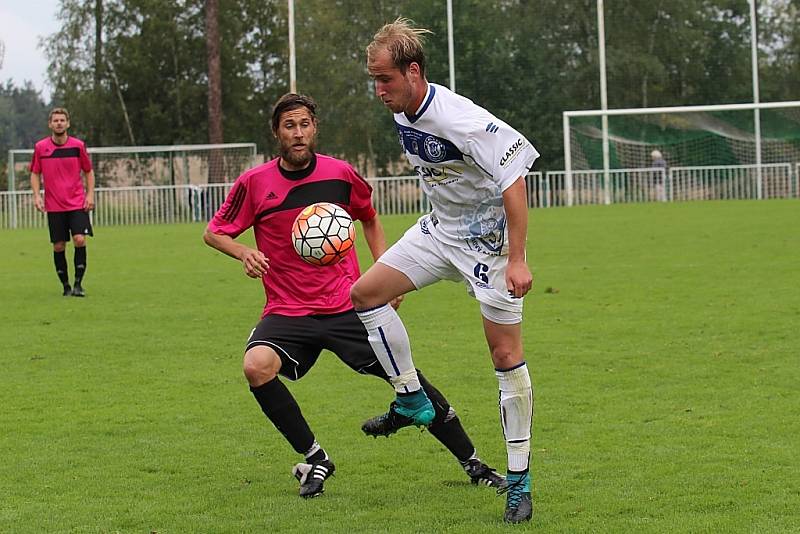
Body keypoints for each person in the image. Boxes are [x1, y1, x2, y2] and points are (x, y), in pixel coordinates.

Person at [203, 93, 505, 499]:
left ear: (315, 128)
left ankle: (473, 463)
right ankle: (315, 458)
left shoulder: (340, 174)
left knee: (408, 380)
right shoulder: (254, 183)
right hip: (288, 310)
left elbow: (370, 218)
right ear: (276, 132)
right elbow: (214, 232)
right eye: (289, 126)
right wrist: (244, 251)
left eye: (305, 124)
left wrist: (386, 275)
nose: (298, 133)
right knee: (257, 367)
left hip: (348, 306)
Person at [350, 19, 538, 523]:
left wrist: (517, 257)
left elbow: (514, 180)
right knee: (366, 294)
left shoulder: (461, 119)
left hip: (489, 248)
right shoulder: (403, 110)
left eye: (385, 79)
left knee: (505, 356)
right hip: (438, 233)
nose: (379, 90)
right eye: (373, 80)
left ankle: (518, 481)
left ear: (413, 72)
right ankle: (412, 400)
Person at [30, 107, 95, 297]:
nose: (59, 123)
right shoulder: (41, 147)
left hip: (76, 202)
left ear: (68, 123)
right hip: (54, 204)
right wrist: (36, 195)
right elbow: (35, 173)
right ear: (50, 124)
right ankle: (65, 285)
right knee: (59, 245)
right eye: (55, 120)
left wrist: (90, 195)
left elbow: (88, 171)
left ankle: (78, 284)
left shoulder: (78, 146)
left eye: (62, 120)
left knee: (79, 239)